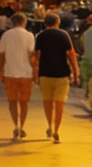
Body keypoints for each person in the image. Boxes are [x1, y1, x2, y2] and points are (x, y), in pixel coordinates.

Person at [34, 13, 79, 143]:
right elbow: (71, 55)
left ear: (45, 23)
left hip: (45, 73)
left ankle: (49, 125)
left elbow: (37, 56)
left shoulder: (40, 36)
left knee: (47, 103)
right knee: (59, 104)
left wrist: (35, 75)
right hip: (62, 74)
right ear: (57, 22)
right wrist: (75, 74)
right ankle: (56, 130)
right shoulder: (64, 35)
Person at [0, 12, 38, 140]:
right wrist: (35, 72)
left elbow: (0, 55)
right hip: (26, 74)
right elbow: (33, 55)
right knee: (24, 102)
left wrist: (1, 71)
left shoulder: (6, 35)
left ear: (12, 22)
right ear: (24, 22)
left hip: (10, 73)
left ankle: (16, 125)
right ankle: (22, 126)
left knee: (12, 101)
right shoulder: (29, 36)